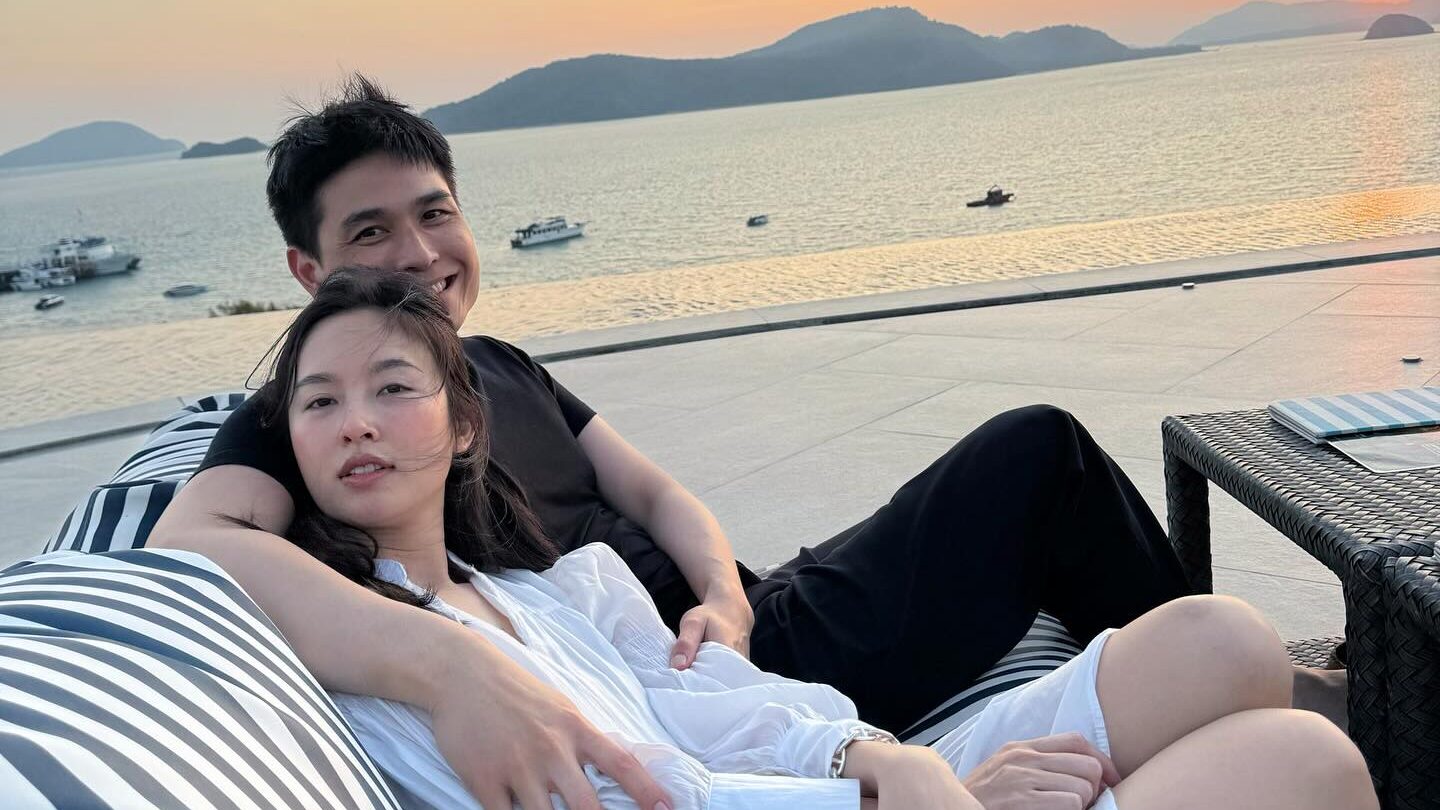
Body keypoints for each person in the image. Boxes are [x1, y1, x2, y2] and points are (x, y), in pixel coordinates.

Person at [147, 75, 1342, 808]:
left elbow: (658, 493)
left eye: (433, 215)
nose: (415, 255)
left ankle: (1226, 699)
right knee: (1045, 467)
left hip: (732, 649)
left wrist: (722, 595)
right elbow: (193, 544)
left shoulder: (498, 374)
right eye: (369, 234)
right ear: (306, 272)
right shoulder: (319, 414)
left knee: (1053, 464)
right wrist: (444, 664)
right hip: (714, 694)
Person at [246, 265, 1376, 810]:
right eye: (319, 402)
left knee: (1224, 641)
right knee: (1306, 764)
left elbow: (710, 709)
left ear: (463, 423)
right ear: (282, 440)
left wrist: (882, 760)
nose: (355, 422)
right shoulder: (372, 656)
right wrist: (911, 801)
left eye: (390, 387)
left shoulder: (543, 594)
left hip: (832, 771)